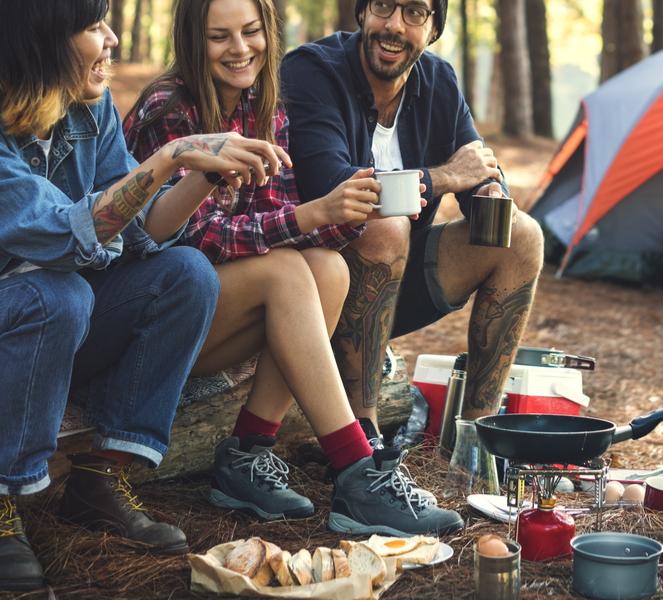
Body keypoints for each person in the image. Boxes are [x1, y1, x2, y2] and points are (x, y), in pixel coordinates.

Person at [0, 0, 295, 592]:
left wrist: (202, 172)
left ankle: (102, 479)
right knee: (59, 294)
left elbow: (142, 227)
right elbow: (61, 232)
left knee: (186, 275)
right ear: (41, 39)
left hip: (59, 328)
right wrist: (166, 158)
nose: (111, 40)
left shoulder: (90, 105)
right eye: (93, 27)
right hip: (6, 322)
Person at [123, 0, 463, 536]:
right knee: (285, 271)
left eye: (252, 32)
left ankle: (246, 455)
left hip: (222, 314)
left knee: (327, 268)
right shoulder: (170, 109)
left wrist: (344, 213)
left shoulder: (266, 103)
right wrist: (311, 214)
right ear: (193, 40)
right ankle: (356, 471)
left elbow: (275, 215)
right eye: (220, 37)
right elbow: (191, 240)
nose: (241, 49)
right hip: (159, 316)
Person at [279, 0, 545, 457]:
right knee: (385, 224)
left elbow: (477, 167)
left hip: (396, 285)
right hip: (316, 289)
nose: (395, 26)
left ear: (434, 29)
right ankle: (364, 438)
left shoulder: (438, 81)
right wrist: (443, 176)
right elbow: (336, 190)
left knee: (523, 236)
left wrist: (488, 194)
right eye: (384, 6)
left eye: (416, 12)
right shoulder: (312, 70)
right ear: (362, 12)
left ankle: (477, 441)